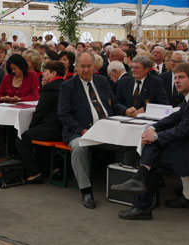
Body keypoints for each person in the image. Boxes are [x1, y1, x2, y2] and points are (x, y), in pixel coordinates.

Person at [110, 62, 189, 220]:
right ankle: (139, 184)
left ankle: (141, 203)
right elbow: (174, 117)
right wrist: (153, 128)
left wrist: (156, 136)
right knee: (152, 150)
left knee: (152, 158)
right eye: (175, 78)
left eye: (181, 77)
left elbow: (184, 129)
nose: (177, 81)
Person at [57, 51, 137, 209]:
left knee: (131, 142)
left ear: (94, 67)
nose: (86, 70)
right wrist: (82, 131)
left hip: (107, 128)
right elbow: (63, 114)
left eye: (89, 66)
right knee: (78, 148)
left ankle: (126, 182)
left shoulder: (102, 81)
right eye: (82, 66)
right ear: (76, 67)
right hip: (80, 131)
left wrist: (126, 110)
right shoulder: (68, 86)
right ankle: (86, 190)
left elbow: (114, 103)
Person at [15, 61, 65, 184]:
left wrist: (31, 126)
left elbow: (40, 111)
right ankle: (53, 168)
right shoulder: (66, 85)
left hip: (52, 129)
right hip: (64, 128)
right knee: (38, 137)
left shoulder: (50, 88)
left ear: (53, 73)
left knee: (22, 139)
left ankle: (34, 173)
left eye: (46, 72)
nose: (43, 74)